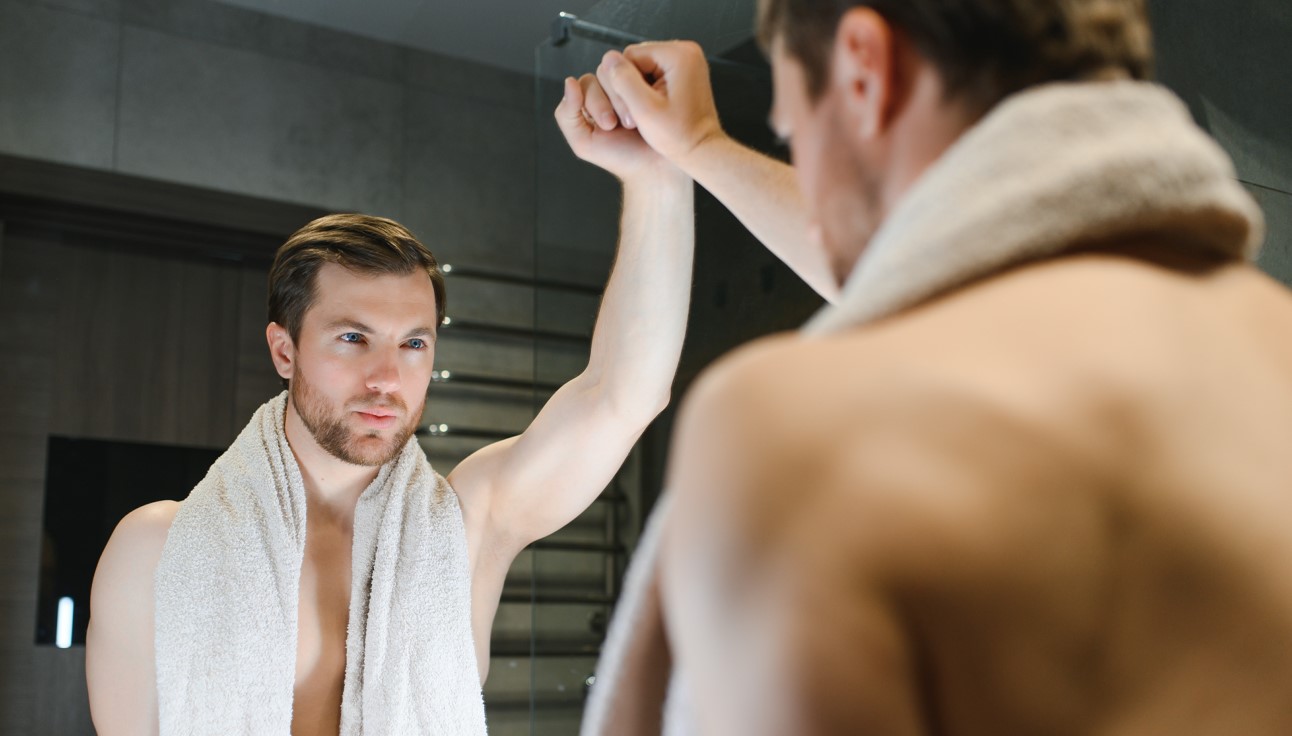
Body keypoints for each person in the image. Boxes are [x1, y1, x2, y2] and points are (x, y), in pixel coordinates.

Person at [570, 1, 1292, 734]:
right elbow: (936, 259)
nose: (812, 199)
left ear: (863, 68)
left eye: (792, 132)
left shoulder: (797, 434)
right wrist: (699, 146)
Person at [84, 84, 695, 734]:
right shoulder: (155, 550)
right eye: (354, 338)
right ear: (285, 351)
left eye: (413, 344)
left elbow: (626, 394)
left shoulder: (468, 528)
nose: (387, 378)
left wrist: (659, 175)